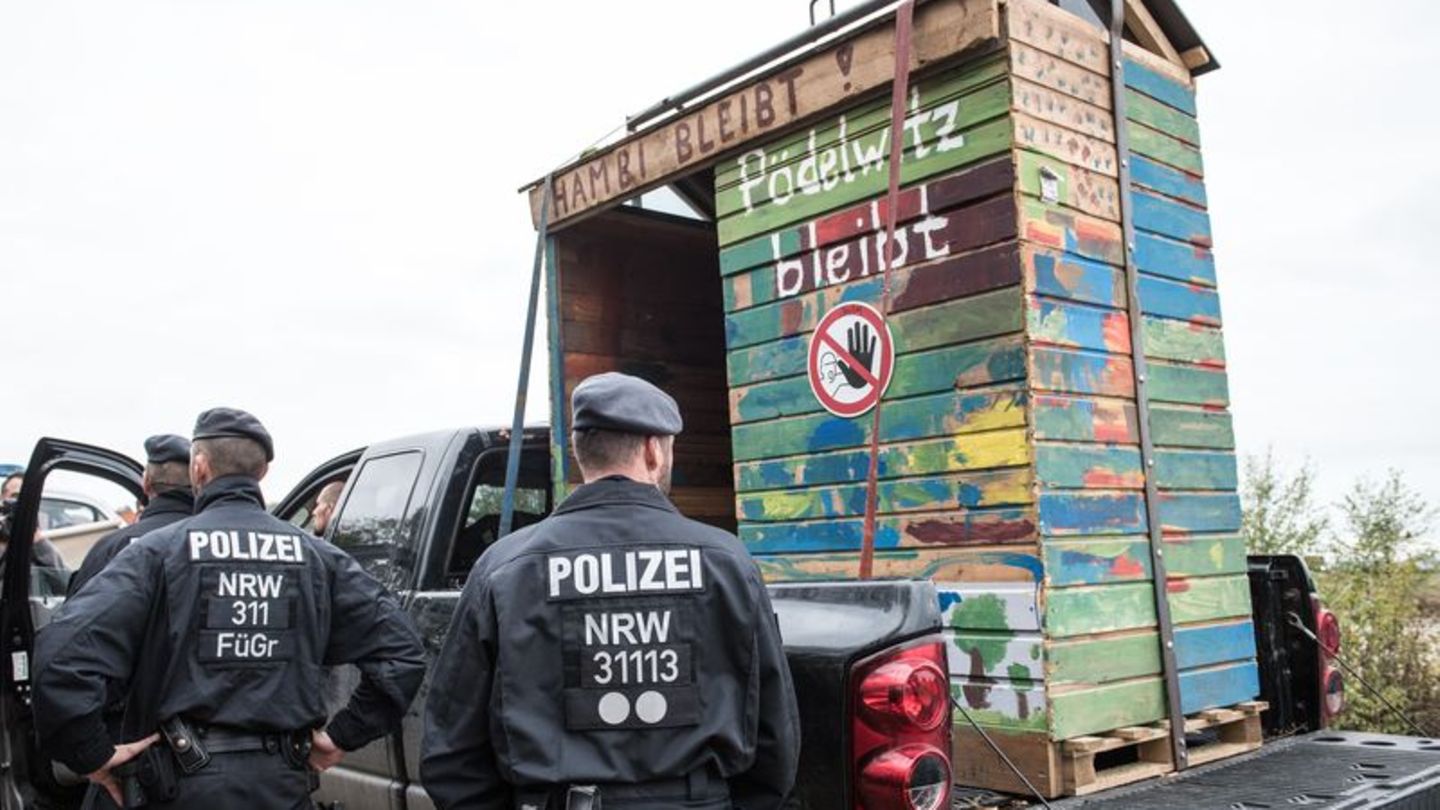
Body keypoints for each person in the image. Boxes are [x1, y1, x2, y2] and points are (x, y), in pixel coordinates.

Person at [421, 372, 800, 810]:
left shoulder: (505, 569)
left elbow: (451, 749)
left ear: (581, 455)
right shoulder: (727, 563)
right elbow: (775, 738)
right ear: (653, 451)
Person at [34, 407, 427, 809]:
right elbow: (403, 653)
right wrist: (343, 734)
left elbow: (61, 656)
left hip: (178, 785)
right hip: (283, 784)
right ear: (263, 472)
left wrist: (92, 754)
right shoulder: (318, 558)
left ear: (199, 468)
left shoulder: (159, 554)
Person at [67, 434, 196, 598]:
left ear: (146, 482)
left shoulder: (112, 546)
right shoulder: (217, 543)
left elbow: (75, 614)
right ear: (199, 481)